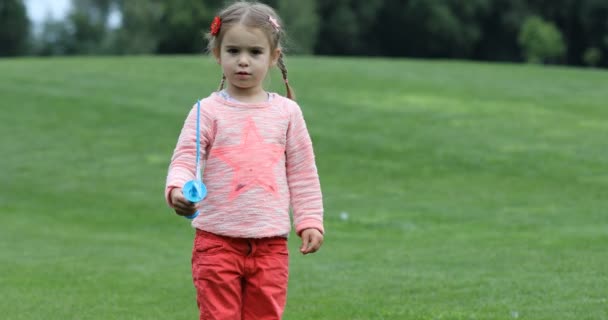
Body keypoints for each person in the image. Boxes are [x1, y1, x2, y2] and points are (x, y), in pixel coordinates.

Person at [164, 1, 324, 319]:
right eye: (233, 51)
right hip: (216, 241)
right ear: (217, 54)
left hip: (271, 245)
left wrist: (310, 220)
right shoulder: (207, 111)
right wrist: (177, 190)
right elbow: (184, 159)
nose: (243, 62)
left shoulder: (287, 113)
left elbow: (303, 171)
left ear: (274, 57)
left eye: (255, 52)